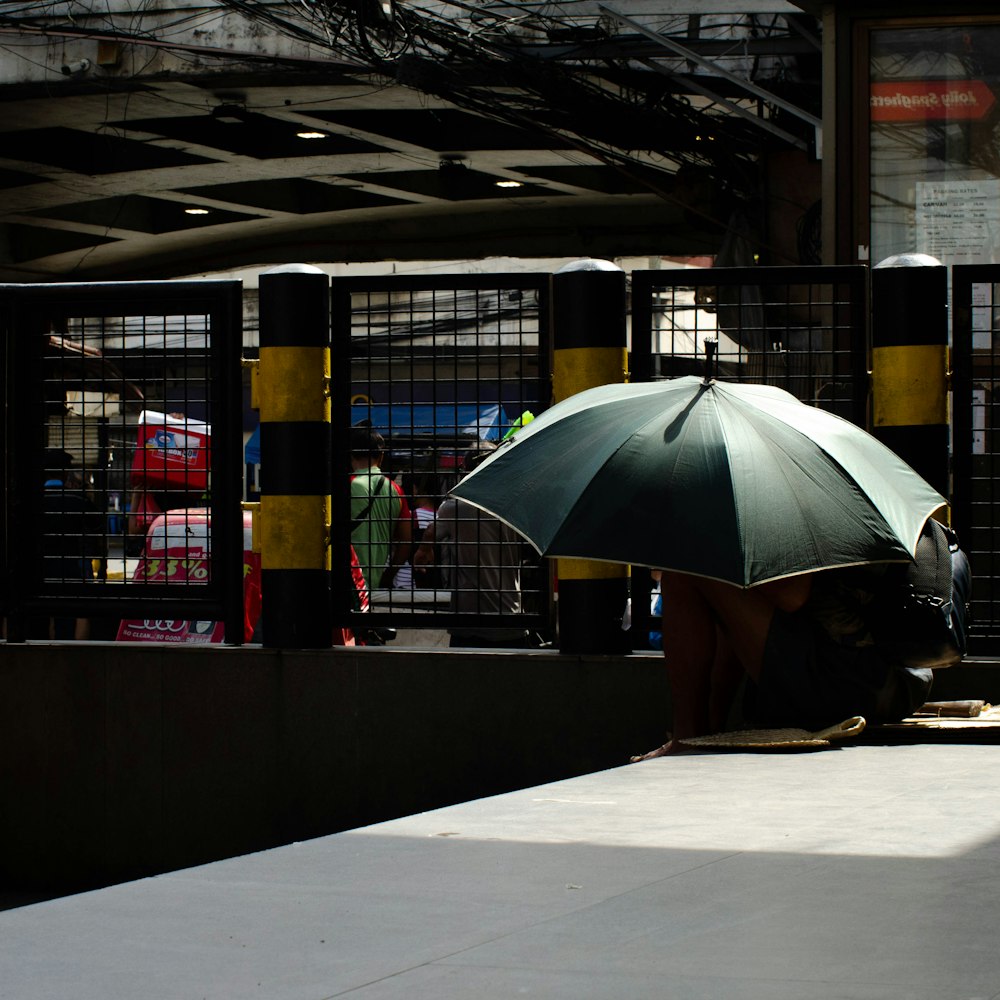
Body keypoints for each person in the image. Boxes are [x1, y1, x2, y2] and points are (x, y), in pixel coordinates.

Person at [633, 562, 938, 759]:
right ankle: (704, 731)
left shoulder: (791, 502)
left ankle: (688, 736)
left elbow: (793, 594)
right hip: (900, 680)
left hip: (855, 679)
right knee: (714, 575)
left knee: (688, 571)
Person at [414, 443, 530, 648]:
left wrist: (423, 552)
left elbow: (432, 530)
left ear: (467, 471)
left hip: (468, 619)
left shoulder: (456, 506)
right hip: (510, 615)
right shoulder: (515, 503)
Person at [349, 424, 412, 591]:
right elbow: (406, 542)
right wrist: (388, 576)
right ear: (381, 455)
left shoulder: (349, 486)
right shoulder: (396, 491)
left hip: (348, 583)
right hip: (374, 585)